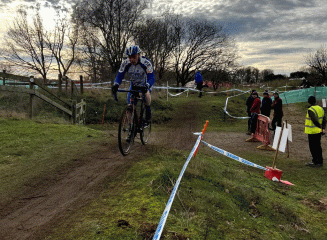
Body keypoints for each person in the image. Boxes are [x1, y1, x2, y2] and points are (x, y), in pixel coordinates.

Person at [112, 45, 155, 123]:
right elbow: (120, 75)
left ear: (139, 55)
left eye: (134, 57)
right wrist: (116, 84)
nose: (131, 59)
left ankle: (148, 114)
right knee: (129, 104)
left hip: (145, 85)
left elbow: (151, 77)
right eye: (129, 57)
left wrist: (147, 85)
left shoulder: (146, 63)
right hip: (133, 86)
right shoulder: (125, 63)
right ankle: (131, 126)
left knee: (145, 95)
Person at [305, 96, 326, 167]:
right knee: (318, 146)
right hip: (319, 131)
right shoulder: (321, 108)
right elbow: (324, 119)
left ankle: (316, 161)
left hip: (312, 131)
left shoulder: (311, 109)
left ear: (309, 102)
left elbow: (314, 120)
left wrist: (320, 127)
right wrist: (323, 128)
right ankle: (320, 161)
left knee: (313, 147)